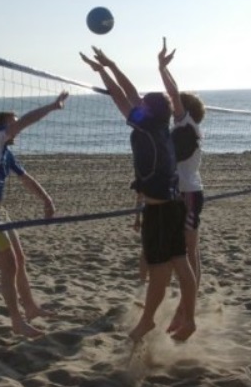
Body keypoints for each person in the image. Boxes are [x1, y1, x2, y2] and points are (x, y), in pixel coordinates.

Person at [80, 45, 197, 342]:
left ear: (147, 111)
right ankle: (187, 319)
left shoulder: (146, 129)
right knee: (180, 263)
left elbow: (122, 97)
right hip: (173, 206)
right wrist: (112, 64)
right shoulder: (161, 127)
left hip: (158, 210)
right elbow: (131, 95)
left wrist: (103, 72)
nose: (138, 103)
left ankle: (148, 321)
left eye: (143, 103)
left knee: (160, 270)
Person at [0, 91, 69, 338]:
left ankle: (30, 308)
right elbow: (26, 121)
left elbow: (26, 179)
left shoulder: (6, 154)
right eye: (13, 123)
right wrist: (52, 106)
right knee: (8, 266)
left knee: (20, 260)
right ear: (2, 128)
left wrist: (46, 199)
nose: (16, 127)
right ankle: (17, 322)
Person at [158, 38, 206, 332]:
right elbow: (175, 96)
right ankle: (183, 311)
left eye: (175, 106)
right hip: (187, 192)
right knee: (189, 253)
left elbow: (174, 96)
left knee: (189, 253)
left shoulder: (186, 124)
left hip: (187, 194)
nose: (171, 106)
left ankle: (185, 313)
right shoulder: (184, 128)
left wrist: (162, 67)